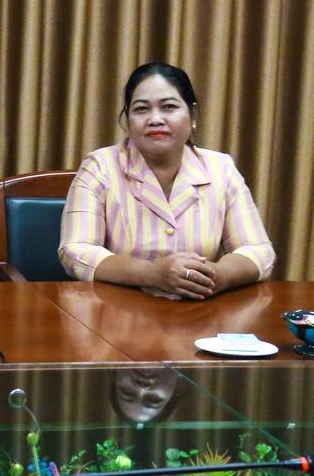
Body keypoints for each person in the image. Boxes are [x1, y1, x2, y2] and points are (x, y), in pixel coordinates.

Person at [58, 62, 274, 299]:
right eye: (141, 109)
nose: (155, 119)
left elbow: (259, 251)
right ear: (127, 118)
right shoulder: (100, 166)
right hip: (118, 308)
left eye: (169, 107)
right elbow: (75, 250)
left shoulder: (220, 168)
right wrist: (150, 274)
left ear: (192, 115)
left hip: (199, 308)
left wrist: (213, 276)